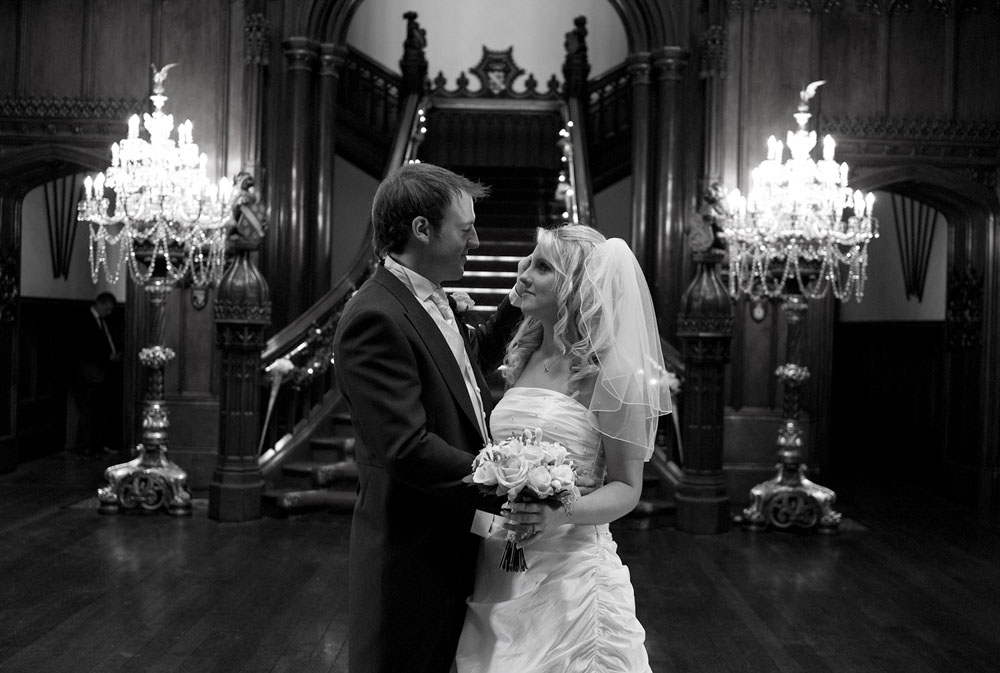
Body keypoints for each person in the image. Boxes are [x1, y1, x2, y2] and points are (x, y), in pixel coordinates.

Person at [332, 162, 524, 673]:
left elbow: (460, 374)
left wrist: (513, 307)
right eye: (466, 229)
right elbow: (406, 447)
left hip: (456, 536)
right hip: (411, 554)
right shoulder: (375, 316)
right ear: (422, 229)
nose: (477, 241)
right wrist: (506, 481)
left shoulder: (426, 298)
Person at [454, 225, 673, 673]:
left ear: (576, 286)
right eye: (529, 260)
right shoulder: (524, 354)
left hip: (570, 575)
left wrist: (559, 511)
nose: (523, 272)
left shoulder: (609, 372)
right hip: (499, 562)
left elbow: (628, 489)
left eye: (542, 267)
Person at [71, 291, 123, 457]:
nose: (108, 313)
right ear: (100, 304)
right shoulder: (85, 320)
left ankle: (96, 443)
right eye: (107, 309)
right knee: (88, 409)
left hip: (101, 370)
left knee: (97, 409)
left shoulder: (102, 321)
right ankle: (84, 445)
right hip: (89, 371)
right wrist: (106, 356)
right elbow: (84, 347)